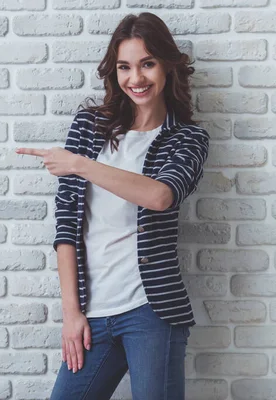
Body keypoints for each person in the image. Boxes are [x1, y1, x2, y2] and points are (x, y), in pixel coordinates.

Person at [16, 12, 209, 400]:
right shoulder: (89, 126)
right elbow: (67, 227)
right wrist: (72, 314)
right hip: (93, 314)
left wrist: (79, 164)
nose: (135, 78)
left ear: (168, 67)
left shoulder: (187, 139)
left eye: (147, 64)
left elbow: (160, 196)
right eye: (125, 67)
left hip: (151, 313)